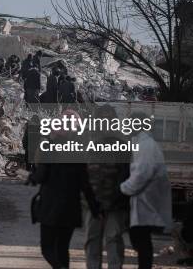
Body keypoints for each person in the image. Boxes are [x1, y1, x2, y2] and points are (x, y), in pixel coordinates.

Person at [29, 116, 100, 269]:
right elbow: (85, 185)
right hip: (71, 209)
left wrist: (31, 177)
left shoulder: (49, 148)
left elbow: (40, 176)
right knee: (62, 248)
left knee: (47, 248)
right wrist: (95, 208)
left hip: (50, 208)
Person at [120, 112, 172, 269]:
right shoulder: (141, 143)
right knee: (141, 241)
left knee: (141, 241)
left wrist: (123, 188)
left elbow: (142, 173)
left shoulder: (146, 145)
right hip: (145, 200)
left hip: (146, 201)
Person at [85, 105, 130, 269]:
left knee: (114, 240)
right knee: (93, 241)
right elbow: (86, 176)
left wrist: (112, 202)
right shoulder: (91, 145)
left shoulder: (123, 147)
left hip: (115, 205)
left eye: (109, 120)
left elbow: (126, 178)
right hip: (94, 204)